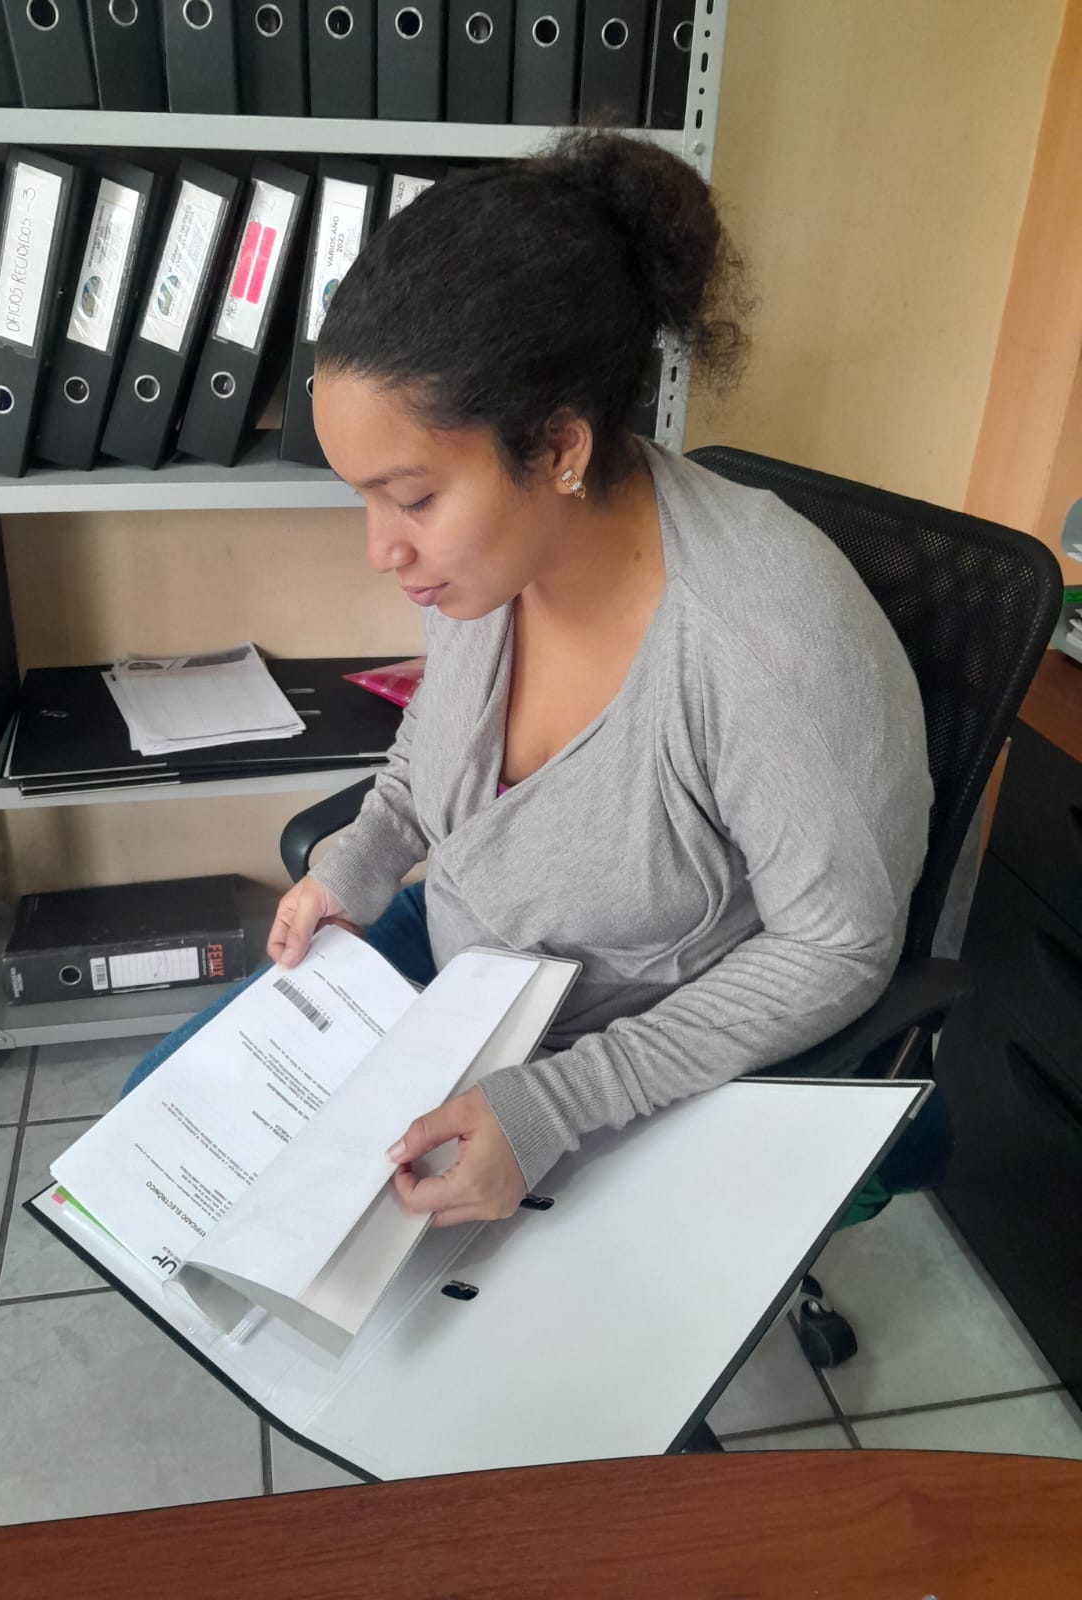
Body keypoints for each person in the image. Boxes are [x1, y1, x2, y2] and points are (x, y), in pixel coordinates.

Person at [126, 130, 933, 1232]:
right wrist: (364, 856)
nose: (381, 551)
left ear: (558, 448)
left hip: (615, 1051)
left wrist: (559, 1100)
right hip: (462, 967)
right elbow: (436, 746)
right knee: (157, 1148)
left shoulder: (760, 642)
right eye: (365, 496)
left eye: (412, 497)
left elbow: (837, 946)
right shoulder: (491, 568)